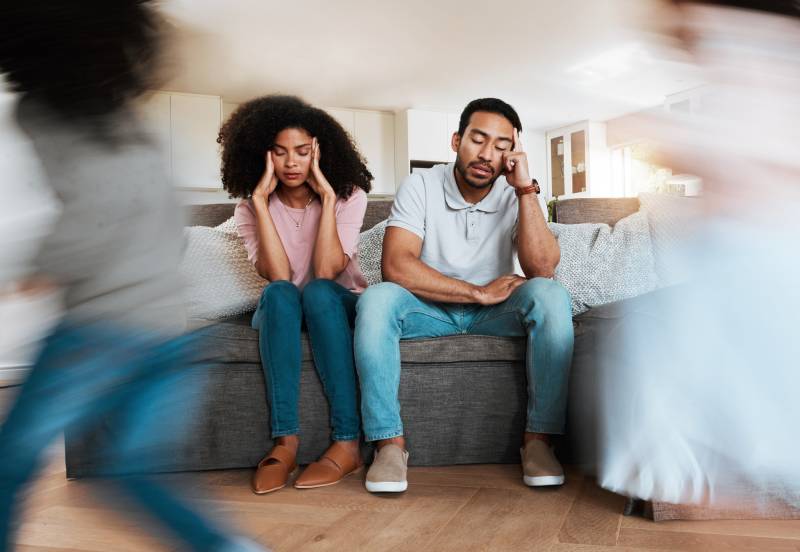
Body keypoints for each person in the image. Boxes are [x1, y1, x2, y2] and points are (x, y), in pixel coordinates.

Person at [0, 1, 263, 550]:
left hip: (102, 328)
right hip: (171, 328)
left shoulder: (43, 109)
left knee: (12, 461)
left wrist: (37, 268)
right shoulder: (123, 116)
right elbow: (163, 222)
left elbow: (92, 214)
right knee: (133, 470)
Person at [354, 98, 574, 493]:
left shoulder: (516, 192)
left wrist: (525, 189)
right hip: (430, 311)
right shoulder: (420, 184)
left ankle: (539, 442)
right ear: (457, 141)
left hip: (495, 313)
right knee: (376, 299)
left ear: (512, 153)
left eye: (502, 145)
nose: (488, 154)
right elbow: (397, 266)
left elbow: (542, 269)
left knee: (551, 296)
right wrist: (476, 292)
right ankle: (389, 445)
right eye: (478, 139)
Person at [218, 95, 373, 494]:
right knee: (280, 294)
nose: (290, 163)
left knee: (319, 291)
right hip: (286, 305)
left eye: (302, 152)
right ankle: (285, 443)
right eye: (279, 152)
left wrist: (325, 196)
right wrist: (258, 201)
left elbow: (326, 271)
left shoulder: (349, 196)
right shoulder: (249, 209)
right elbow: (278, 275)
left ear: (320, 152)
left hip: (333, 303)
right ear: (261, 154)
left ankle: (347, 443)